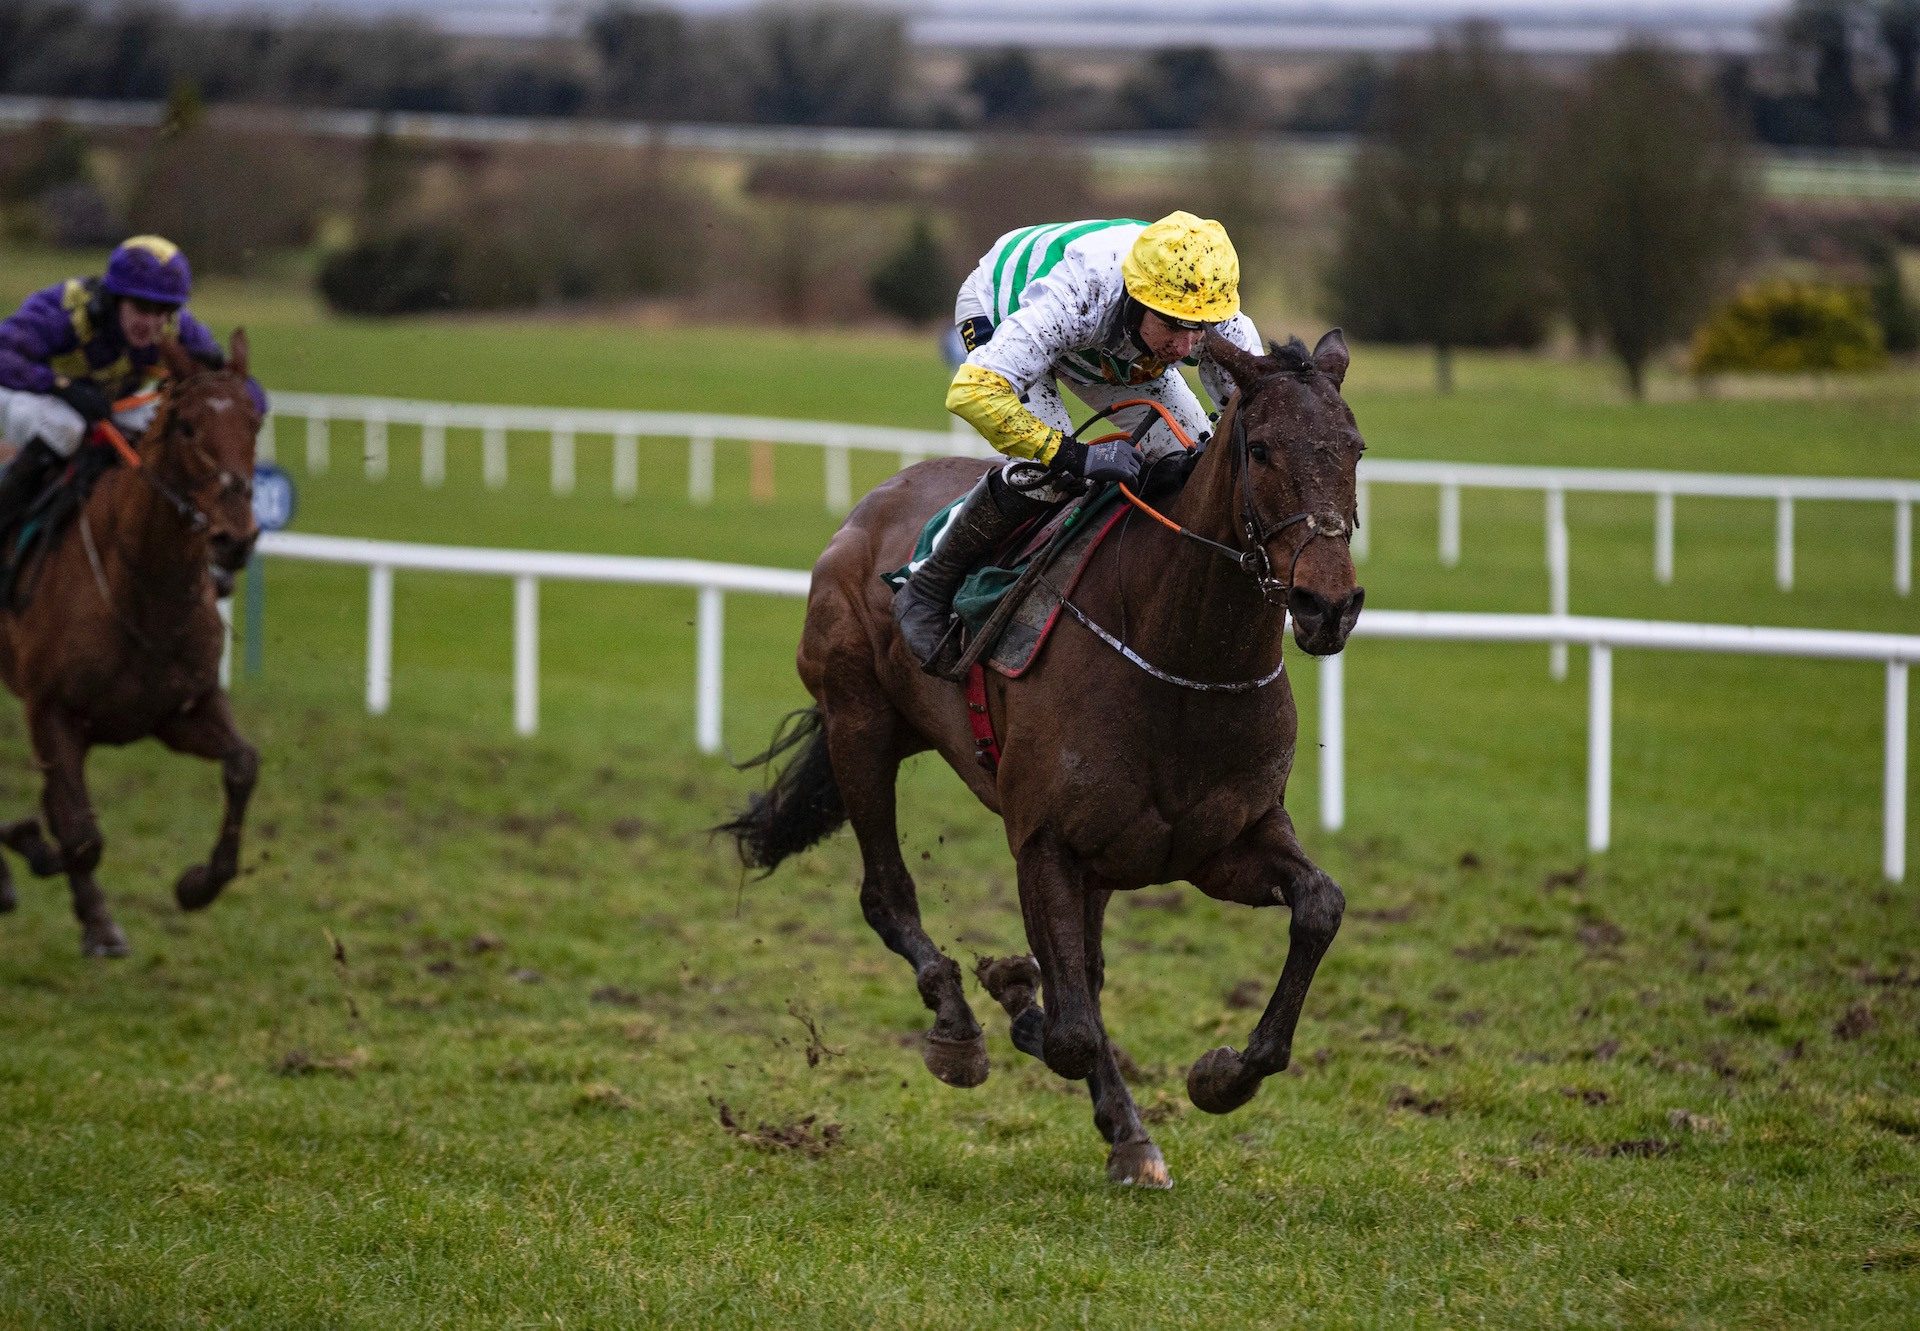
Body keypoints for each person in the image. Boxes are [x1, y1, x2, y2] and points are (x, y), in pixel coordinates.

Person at [895, 211, 1265, 670]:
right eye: (1174, 325)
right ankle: (928, 584)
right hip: (1003, 307)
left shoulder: (1214, 311)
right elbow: (972, 393)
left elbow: (1256, 410)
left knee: (1191, 465)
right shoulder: (1080, 295)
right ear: (1136, 298)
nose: (1187, 348)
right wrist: (1077, 456)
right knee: (1051, 475)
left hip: (1109, 344)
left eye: (1199, 328)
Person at [0, 235, 265, 535]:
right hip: (26, 392)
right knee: (66, 428)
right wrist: (61, 386)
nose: (151, 323)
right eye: (141, 307)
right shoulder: (65, 311)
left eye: (163, 310)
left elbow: (243, 393)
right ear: (114, 299)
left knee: (162, 428)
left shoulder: (180, 328)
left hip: (105, 403)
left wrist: (241, 403)